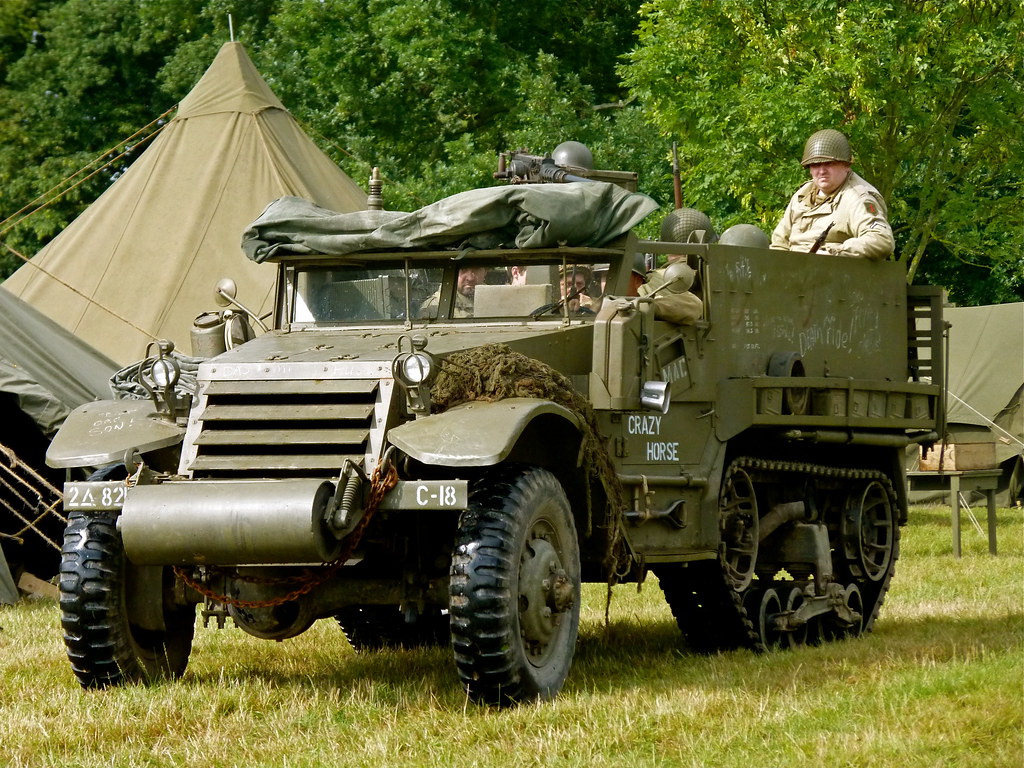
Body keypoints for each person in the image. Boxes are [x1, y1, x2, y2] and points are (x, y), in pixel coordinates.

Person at [771, 129, 894, 260]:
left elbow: (881, 239)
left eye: (829, 164)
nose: (822, 171)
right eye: (816, 165)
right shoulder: (802, 195)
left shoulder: (857, 197)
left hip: (832, 274)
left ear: (846, 165)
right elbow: (779, 243)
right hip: (792, 272)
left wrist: (834, 253)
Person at [418, 265, 487, 318]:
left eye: (476, 269)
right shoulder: (435, 307)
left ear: (485, 272)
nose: (470, 278)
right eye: (463, 269)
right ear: (452, 273)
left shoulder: (495, 299)